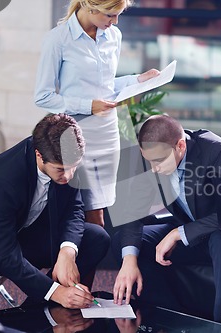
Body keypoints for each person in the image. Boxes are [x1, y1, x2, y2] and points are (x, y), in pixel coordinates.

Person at [0, 113, 110, 314]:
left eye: (73, 168)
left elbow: (74, 209)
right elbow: (4, 254)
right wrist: (58, 292)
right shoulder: (3, 178)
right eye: (61, 170)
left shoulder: (67, 157)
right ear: (39, 155)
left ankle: (36, 313)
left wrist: (67, 253)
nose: (69, 176)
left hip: (20, 230)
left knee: (96, 237)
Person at [111, 114, 221, 322]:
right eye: (149, 161)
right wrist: (129, 261)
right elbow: (133, 212)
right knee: (124, 242)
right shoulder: (152, 156)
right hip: (190, 232)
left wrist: (178, 234)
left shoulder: (213, 150)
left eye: (158, 161)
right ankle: (171, 316)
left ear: (180, 146)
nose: (153, 169)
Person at [34, 0, 160, 227]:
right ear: (90, 7)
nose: (115, 22)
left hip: (107, 131)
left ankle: (81, 258)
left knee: (101, 206)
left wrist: (137, 80)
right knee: (89, 212)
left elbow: (105, 86)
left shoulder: (114, 36)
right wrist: (88, 106)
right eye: (110, 15)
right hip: (75, 132)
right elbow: (43, 97)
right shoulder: (58, 39)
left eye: (118, 15)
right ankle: (73, 258)